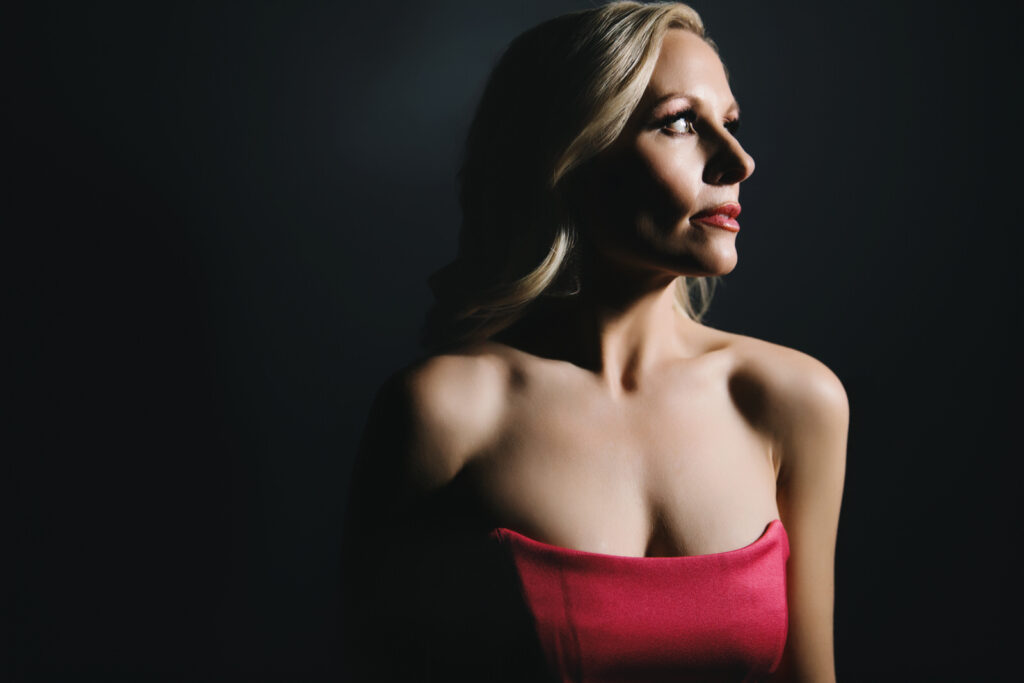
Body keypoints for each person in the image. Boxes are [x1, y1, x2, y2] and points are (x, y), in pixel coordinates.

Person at [341, 2, 848, 681]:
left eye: (727, 124)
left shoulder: (790, 400)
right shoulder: (444, 413)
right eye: (678, 123)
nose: (738, 161)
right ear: (570, 156)